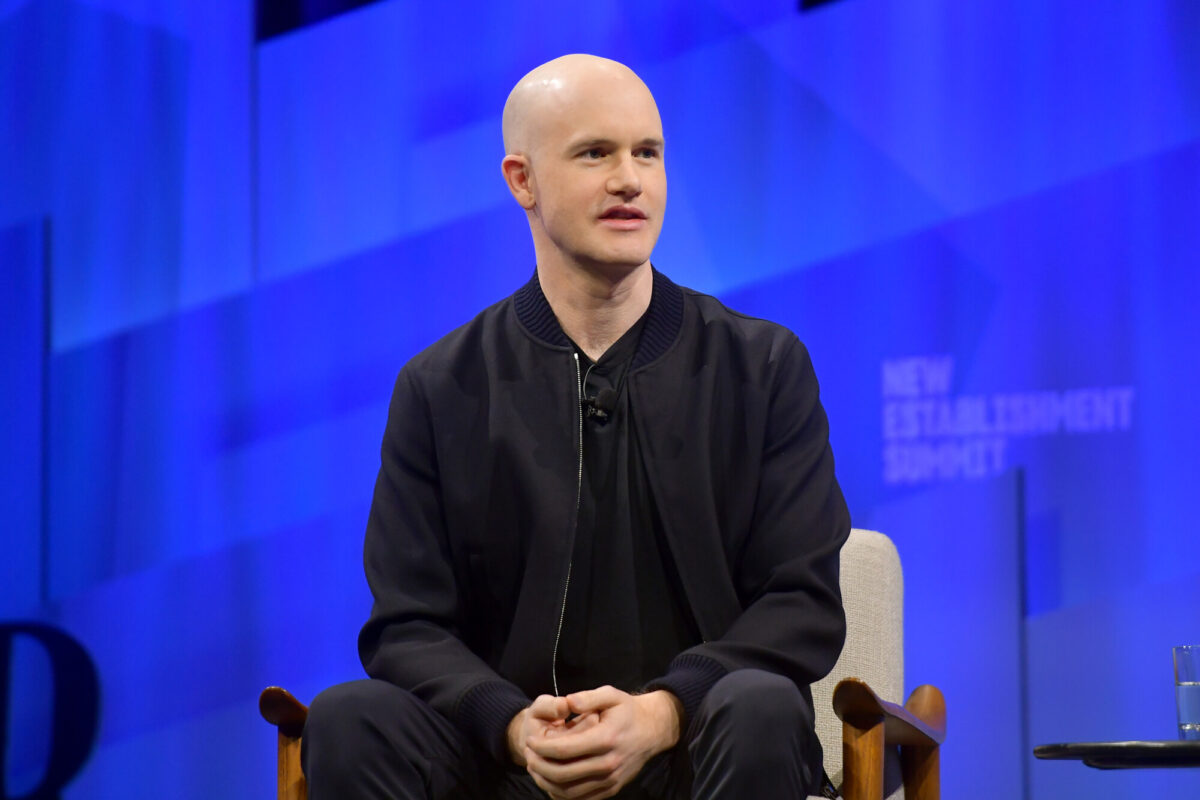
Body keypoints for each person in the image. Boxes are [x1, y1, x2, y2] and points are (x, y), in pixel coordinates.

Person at [301, 53, 850, 800]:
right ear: (521, 180)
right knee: (349, 718)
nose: (630, 179)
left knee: (760, 705)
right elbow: (405, 626)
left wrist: (666, 710)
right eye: (596, 153)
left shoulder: (762, 366)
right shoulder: (440, 387)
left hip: (697, 753)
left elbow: (802, 602)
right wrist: (510, 726)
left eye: (647, 154)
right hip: (510, 769)